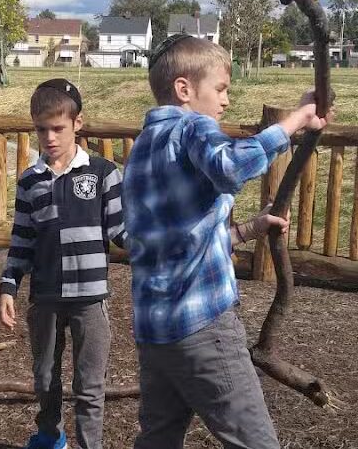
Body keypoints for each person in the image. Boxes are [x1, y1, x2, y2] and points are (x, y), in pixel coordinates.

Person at [122, 34, 332, 449]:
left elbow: (175, 240)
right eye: (220, 88)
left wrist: (248, 230)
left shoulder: (142, 149)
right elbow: (231, 166)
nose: (226, 100)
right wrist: (294, 121)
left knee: (158, 439)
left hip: (155, 333)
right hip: (203, 328)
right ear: (184, 89)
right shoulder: (192, 127)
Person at [0, 79, 127, 449]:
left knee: (90, 385)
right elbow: (22, 240)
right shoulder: (30, 181)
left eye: (58, 128)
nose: (50, 137)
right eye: (41, 129)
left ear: (78, 124)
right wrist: (8, 286)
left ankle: (90, 445)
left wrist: (161, 246)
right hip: (46, 297)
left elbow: (122, 231)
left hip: (91, 298)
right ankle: (51, 438)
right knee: (44, 377)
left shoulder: (103, 173)